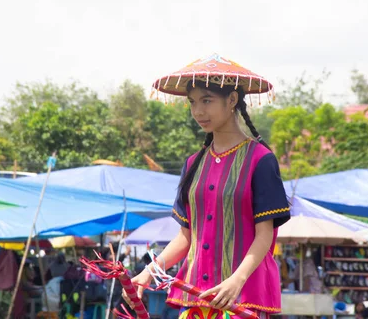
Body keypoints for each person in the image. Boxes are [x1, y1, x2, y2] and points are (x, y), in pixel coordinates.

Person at [123, 55, 291, 319]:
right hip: (196, 299)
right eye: (192, 102)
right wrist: (148, 273)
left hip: (241, 300)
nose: (198, 111)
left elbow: (264, 235)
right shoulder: (193, 164)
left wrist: (237, 280)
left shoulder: (260, 160)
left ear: (232, 100)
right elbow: (185, 238)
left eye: (207, 100)